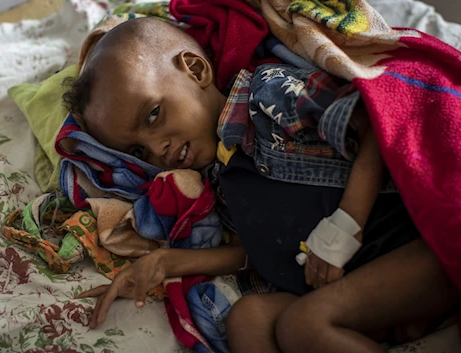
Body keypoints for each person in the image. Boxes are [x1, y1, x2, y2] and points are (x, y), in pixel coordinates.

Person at [62, 17, 459, 353]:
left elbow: (377, 116)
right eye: (139, 151)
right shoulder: (219, 180)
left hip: (420, 249)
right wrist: (163, 263)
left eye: (152, 115)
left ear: (196, 70)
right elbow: (255, 255)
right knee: (248, 321)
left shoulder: (269, 96)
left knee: (305, 324)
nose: (157, 148)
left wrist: (346, 223)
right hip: (357, 284)